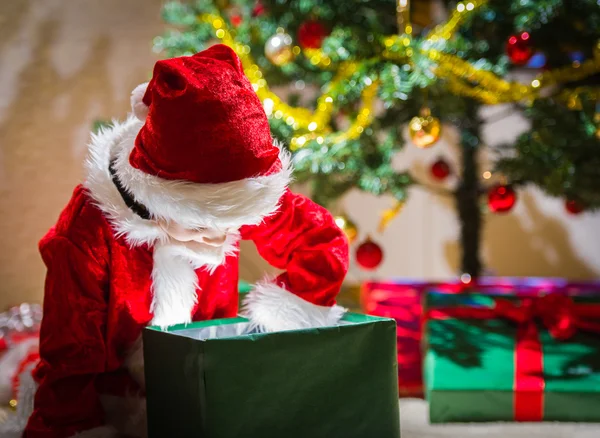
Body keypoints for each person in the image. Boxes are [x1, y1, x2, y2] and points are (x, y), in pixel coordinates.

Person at [3, 44, 348, 438]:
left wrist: (287, 312)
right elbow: (71, 351)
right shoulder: (87, 233)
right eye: (202, 225)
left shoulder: (231, 194)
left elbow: (320, 241)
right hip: (111, 392)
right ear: (157, 195)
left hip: (205, 379)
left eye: (234, 223)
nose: (219, 237)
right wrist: (76, 425)